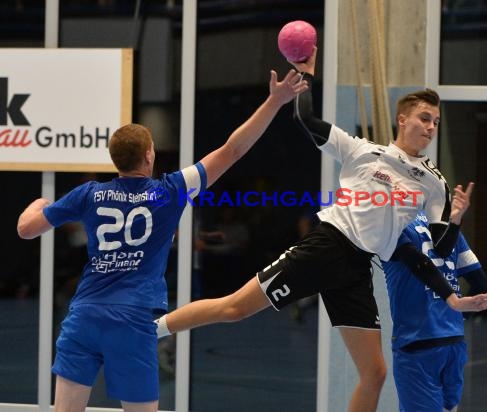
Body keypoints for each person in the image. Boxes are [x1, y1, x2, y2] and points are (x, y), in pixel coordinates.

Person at [154, 47, 487, 412]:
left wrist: (457, 218)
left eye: (436, 122)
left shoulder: (434, 183)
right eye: (424, 118)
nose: (431, 127)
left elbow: (440, 250)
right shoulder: (363, 151)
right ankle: (153, 330)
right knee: (234, 309)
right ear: (402, 119)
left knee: (375, 373)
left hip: (357, 268)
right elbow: (307, 119)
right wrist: (307, 73)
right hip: (326, 247)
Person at [16, 69, 308, 412]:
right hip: (133, 319)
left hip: (84, 316)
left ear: (115, 160)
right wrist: (275, 101)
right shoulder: (169, 192)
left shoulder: (89, 194)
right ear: (150, 156)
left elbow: (27, 229)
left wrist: (40, 204)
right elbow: (232, 151)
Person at [383, 211, 487, 412]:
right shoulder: (446, 227)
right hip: (453, 342)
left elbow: (420, 264)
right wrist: (456, 312)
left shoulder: (393, 223)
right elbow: (482, 284)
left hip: (418, 341)